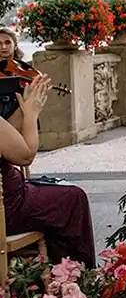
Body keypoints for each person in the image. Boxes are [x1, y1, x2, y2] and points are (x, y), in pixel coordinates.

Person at [1, 74, 97, 267]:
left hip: (10, 198)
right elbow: (25, 155)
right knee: (72, 198)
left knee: (54, 193)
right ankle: (71, 275)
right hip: (9, 208)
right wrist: (31, 115)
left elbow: (8, 137)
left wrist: (25, 108)